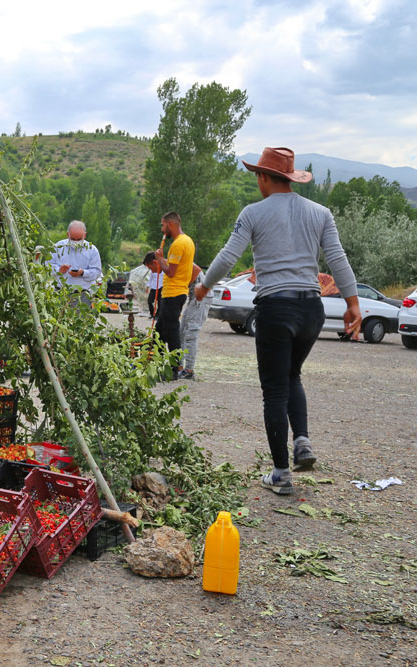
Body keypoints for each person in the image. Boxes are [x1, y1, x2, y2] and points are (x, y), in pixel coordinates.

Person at [194, 147, 361, 495]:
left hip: (275, 308)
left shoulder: (253, 213)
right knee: (292, 374)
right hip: (312, 310)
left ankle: (281, 474)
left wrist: (204, 285)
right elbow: (337, 258)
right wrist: (353, 303)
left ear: (263, 177)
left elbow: (228, 255)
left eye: (258, 176)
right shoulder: (320, 212)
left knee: (274, 389)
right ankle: (302, 441)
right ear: (291, 177)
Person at [154, 212, 195, 378]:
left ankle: (173, 370)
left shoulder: (178, 244)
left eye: (163, 226)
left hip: (173, 293)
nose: (163, 230)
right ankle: (150, 364)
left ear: (170, 225)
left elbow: (170, 271)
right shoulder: (188, 241)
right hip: (175, 292)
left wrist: (159, 259)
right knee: (160, 332)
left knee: (171, 332)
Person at [49, 220, 102, 308]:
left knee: (81, 319)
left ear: (84, 235)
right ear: (67, 234)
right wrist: (59, 270)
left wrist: (83, 273)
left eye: (79, 239)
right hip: (60, 293)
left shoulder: (92, 250)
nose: (76, 242)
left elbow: (97, 272)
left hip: (82, 295)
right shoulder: (58, 247)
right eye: (73, 239)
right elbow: (48, 266)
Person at [177, 264, 209, 380]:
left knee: (191, 334)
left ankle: (189, 370)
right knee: (181, 332)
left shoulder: (177, 264)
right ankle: (179, 366)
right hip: (193, 298)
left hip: (201, 298)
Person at [143, 251, 163, 320]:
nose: (150, 270)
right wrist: (148, 286)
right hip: (154, 287)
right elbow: (150, 279)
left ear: (155, 263)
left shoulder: (166, 269)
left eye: (150, 267)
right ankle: (152, 314)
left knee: (160, 302)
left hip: (161, 287)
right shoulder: (153, 271)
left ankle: (157, 315)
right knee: (150, 301)